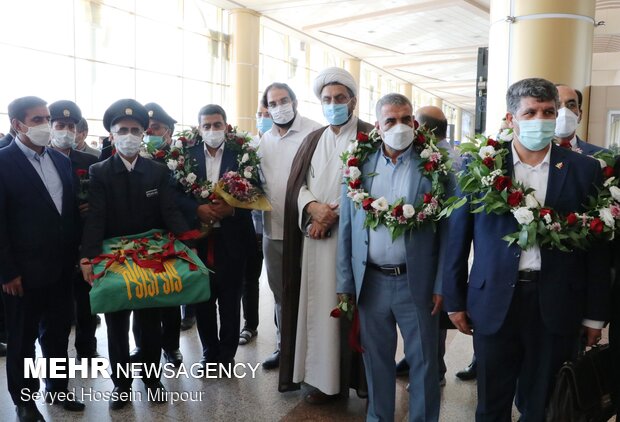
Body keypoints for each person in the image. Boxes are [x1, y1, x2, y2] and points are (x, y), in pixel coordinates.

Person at [443, 78, 610, 421]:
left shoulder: (584, 169)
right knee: (491, 402)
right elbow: (458, 239)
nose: (541, 119)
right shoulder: (479, 168)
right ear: (511, 119)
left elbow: (596, 248)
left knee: (543, 402)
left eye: (548, 112)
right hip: (493, 302)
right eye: (530, 112)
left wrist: (594, 314)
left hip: (557, 302)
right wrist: (454, 300)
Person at [338, 93, 452, 421]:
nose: (399, 126)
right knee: (376, 362)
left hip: (416, 281)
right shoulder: (358, 164)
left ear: (415, 123)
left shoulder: (433, 166)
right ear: (378, 126)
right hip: (371, 281)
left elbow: (447, 230)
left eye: (406, 119)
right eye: (391, 120)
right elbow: (347, 227)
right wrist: (345, 282)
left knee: (425, 364)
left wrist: (442, 282)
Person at [80, 99, 191, 409]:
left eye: (135, 130)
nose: (129, 135)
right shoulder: (100, 170)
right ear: (112, 136)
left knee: (149, 321)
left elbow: (169, 211)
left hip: (150, 258)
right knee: (116, 324)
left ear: (143, 135)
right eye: (122, 130)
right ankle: (121, 385)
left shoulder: (156, 171)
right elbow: (96, 218)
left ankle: (152, 379)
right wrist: (87, 256)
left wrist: (189, 242)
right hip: (114, 260)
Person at [281, 67, 372, 403]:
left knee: (344, 309)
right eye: (327, 99)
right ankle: (318, 380)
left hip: (349, 246)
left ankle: (346, 381)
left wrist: (331, 215)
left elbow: (372, 188)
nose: (334, 104)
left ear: (353, 101)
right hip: (313, 239)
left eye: (340, 98)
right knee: (316, 309)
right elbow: (297, 186)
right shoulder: (314, 138)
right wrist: (313, 208)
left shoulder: (369, 136)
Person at [0, 96, 84, 421]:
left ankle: (58, 387)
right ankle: (24, 401)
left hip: (61, 269)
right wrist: (7, 272)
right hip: (21, 274)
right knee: (22, 339)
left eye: (46, 118)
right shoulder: (3, 162)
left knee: (58, 333)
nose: (45, 126)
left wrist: (77, 255)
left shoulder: (61, 161)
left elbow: (69, 214)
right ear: (17, 124)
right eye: (37, 120)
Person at [177, 104, 255, 367]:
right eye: (207, 126)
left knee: (230, 301)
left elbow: (256, 191)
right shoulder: (187, 156)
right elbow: (176, 194)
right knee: (204, 301)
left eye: (217, 125)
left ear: (226, 126)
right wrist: (197, 209)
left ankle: (227, 357)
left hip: (232, 239)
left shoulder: (242, 154)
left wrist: (232, 209)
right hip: (198, 240)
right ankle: (210, 355)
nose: (212, 130)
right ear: (199, 129)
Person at [393, 104, 461, 388]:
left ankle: (435, 370)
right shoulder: (446, 155)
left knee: (432, 318)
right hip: (426, 253)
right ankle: (416, 361)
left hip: (433, 251)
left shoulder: (444, 162)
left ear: (422, 127)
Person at [257, 83, 322, 367]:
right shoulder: (263, 140)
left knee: (312, 294)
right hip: (273, 230)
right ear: (267, 108)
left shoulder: (314, 132)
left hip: (308, 230)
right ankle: (285, 348)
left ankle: (311, 354)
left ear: (294, 102)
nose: (279, 107)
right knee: (281, 293)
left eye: (284, 101)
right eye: (273, 103)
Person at [129, 102, 184, 367]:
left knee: (170, 296)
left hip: (168, 236)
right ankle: (142, 346)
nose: (150, 133)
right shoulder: (132, 155)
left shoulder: (180, 160)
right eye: (147, 129)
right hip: (137, 238)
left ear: (168, 132)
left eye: (157, 128)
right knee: (141, 295)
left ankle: (171, 346)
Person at [48, 100, 100, 361]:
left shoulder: (90, 161)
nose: (66, 130)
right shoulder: (41, 159)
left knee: (87, 301)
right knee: (57, 307)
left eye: (71, 126)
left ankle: (87, 347)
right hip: (53, 245)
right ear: (50, 127)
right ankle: (56, 362)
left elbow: (102, 200)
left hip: (84, 242)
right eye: (60, 125)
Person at [238, 103, 272, 347]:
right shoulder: (246, 148)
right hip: (249, 227)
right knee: (249, 279)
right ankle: (250, 325)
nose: (263, 118)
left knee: (280, 285)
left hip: (275, 226)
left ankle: (284, 336)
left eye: (267, 115)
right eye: (260, 115)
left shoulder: (279, 147)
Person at [555, 84, 608, 155]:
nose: (564, 111)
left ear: (580, 115)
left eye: (571, 105)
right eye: (557, 105)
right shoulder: (536, 154)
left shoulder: (605, 156)